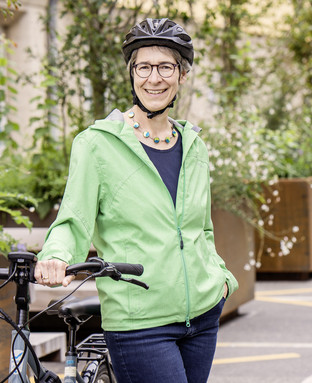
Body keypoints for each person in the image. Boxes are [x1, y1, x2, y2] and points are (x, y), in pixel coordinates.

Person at [34, 18, 238, 383]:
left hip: (203, 316)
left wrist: (221, 278)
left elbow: (202, 228)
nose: (153, 78)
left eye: (165, 67)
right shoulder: (97, 144)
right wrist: (55, 256)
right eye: (143, 67)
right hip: (140, 323)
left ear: (182, 76)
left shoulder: (194, 145)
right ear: (131, 73)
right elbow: (73, 219)